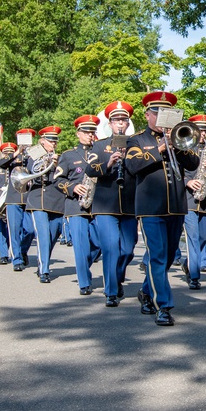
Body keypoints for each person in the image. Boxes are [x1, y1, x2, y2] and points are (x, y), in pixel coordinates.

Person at [127, 91, 199, 325]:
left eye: (166, 114)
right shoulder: (137, 140)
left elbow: (194, 162)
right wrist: (159, 148)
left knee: (167, 257)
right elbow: (133, 165)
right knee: (157, 256)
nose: (161, 118)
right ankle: (163, 306)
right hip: (150, 207)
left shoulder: (177, 138)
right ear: (148, 115)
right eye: (157, 113)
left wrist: (177, 145)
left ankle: (147, 292)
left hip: (176, 206)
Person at [84, 101, 139, 307]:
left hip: (130, 205)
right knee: (110, 248)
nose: (120, 124)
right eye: (116, 120)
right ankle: (111, 291)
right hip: (106, 205)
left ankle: (116, 278)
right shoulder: (100, 145)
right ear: (110, 123)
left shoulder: (136, 144)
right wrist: (108, 163)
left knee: (127, 249)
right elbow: (90, 169)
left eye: (124, 120)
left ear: (127, 123)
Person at [57, 115, 101, 295]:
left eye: (92, 132)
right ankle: (84, 281)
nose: (90, 135)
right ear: (78, 134)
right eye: (86, 132)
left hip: (98, 205)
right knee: (81, 245)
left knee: (98, 244)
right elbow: (58, 180)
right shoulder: (68, 155)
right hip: (76, 206)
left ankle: (84, 265)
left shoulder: (100, 152)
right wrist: (73, 187)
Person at [180, 114, 206, 290]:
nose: (203, 133)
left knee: (205, 236)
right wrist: (187, 181)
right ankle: (194, 276)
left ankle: (189, 263)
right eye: (200, 130)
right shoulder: (183, 148)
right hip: (188, 200)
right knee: (193, 238)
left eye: (205, 130)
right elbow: (174, 171)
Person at [24, 126, 65, 284]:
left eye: (55, 141)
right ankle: (44, 269)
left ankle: (43, 261)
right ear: (42, 141)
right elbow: (31, 169)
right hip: (38, 198)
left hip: (56, 200)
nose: (53, 143)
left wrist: (57, 163)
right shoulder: (35, 152)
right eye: (50, 141)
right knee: (42, 235)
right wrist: (47, 161)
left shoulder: (60, 156)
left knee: (54, 233)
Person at [0, 129, 38, 272]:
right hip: (14, 197)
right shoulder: (12, 155)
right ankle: (17, 259)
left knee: (31, 230)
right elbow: (1, 164)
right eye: (23, 138)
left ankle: (22, 250)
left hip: (29, 197)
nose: (26, 142)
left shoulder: (35, 153)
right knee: (14, 230)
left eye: (29, 138)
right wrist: (17, 152)